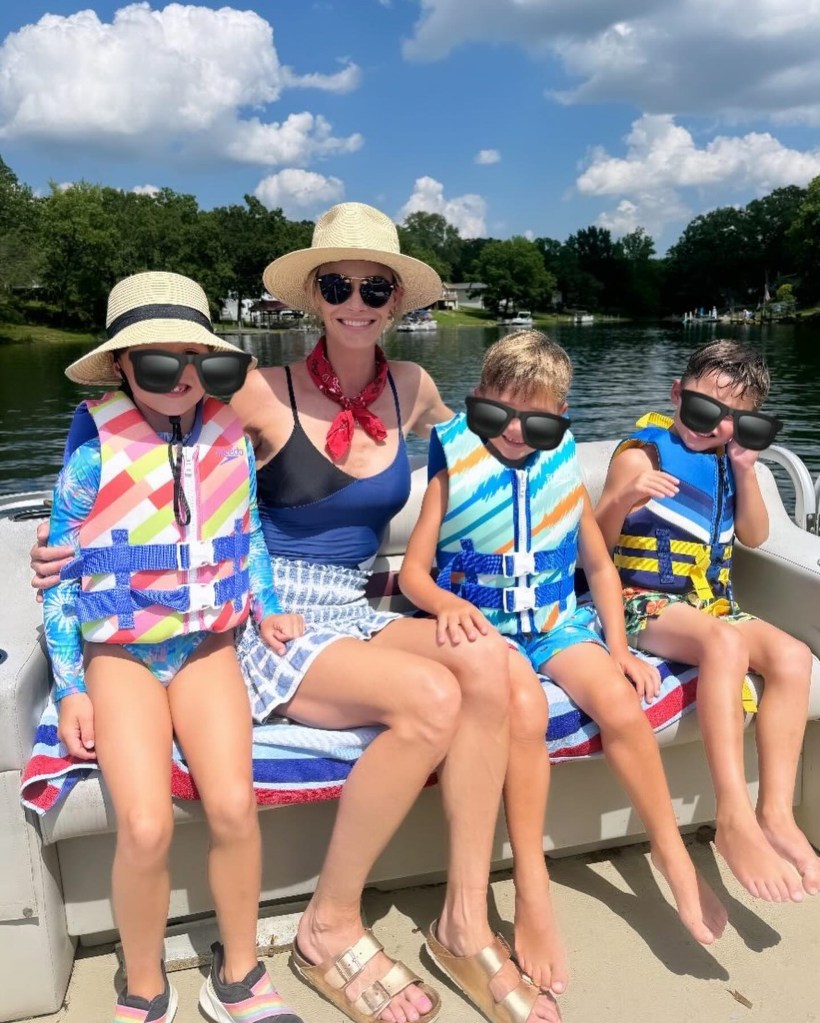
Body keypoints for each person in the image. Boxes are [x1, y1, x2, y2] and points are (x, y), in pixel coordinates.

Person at [33, 206, 560, 1023]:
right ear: (314, 294)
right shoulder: (243, 385)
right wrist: (64, 549)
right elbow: (138, 473)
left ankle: (468, 914)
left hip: (353, 601)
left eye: (376, 285)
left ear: (398, 300)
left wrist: (616, 475)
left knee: (498, 664)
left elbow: (497, 443)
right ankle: (329, 924)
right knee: (435, 697)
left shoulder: (411, 388)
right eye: (340, 283)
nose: (358, 298)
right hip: (269, 616)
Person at [400, 330, 730, 993]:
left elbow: (599, 565)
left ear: (560, 419)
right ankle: (532, 888)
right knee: (523, 708)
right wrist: (444, 605)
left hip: (554, 621)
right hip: (488, 633)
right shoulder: (453, 467)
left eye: (538, 420)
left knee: (618, 701)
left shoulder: (561, 472)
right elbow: (412, 573)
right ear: (480, 402)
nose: (517, 432)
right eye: (499, 414)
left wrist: (617, 647)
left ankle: (675, 858)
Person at [42, 271, 306, 1023]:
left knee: (232, 806)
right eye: (160, 364)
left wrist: (267, 609)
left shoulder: (231, 436)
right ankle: (144, 981)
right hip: (122, 654)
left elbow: (247, 533)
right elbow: (60, 579)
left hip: (205, 646)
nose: (186, 380)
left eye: (204, 363)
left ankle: (240, 974)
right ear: (122, 366)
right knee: (148, 825)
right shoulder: (94, 455)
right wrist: (71, 689)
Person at [595, 338, 820, 903]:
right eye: (699, 410)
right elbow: (592, 549)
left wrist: (745, 468)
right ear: (677, 394)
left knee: (794, 656)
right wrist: (622, 499)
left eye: (730, 422)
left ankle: (774, 811)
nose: (711, 428)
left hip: (710, 605)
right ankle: (732, 816)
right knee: (723, 644)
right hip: (639, 603)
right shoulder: (642, 453)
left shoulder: (728, 458)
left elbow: (755, 537)